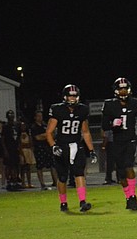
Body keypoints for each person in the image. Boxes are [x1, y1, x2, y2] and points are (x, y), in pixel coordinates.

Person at [46, 84, 97, 212]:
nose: (73, 99)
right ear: (65, 97)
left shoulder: (82, 110)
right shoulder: (57, 109)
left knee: (79, 173)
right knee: (62, 176)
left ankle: (82, 202)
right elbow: (49, 132)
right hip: (62, 146)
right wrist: (53, 146)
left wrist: (91, 150)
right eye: (70, 96)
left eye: (75, 96)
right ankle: (63, 203)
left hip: (76, 145)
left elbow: (85, 132)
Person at [101, 77, 137, 210]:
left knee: (129, 166)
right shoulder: (109, 104)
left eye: (125, 88)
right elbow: (104, 125)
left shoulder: (136, 103)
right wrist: (112, 124)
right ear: (116, 90)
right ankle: (128, 196)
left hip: (130, 139)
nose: (123, 91)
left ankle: (133, 196)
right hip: (116, 141)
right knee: (121, 173)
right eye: (120, 89)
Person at [30, 110, 57, 190]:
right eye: (38, 116)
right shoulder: (34, 127)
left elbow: (52, 134)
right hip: (39, 148)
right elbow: (37, 137)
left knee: (52, 164)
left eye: (41, 116)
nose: (40, 117)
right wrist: (46, 135)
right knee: (40, 166)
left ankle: (55, 181)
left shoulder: (45, 125)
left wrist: (45, 135)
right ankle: (42, 184)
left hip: (47, 147)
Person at [1, 109, 22, 191]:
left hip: (15, 148)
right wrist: (5, 150)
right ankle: (9, 181)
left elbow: (19, 137)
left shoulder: (17, 125)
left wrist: (19, 148)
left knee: (16, 165)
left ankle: (15, 180)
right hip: (8, 148)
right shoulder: (5, 126)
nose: (11, 117)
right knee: (9, 166)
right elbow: (2, 139)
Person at [18, 121, 36, 188]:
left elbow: (31, 143)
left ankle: (29, 182)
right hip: (22, 152)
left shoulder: (29, 134)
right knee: (23, 168)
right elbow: (19, 145)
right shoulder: (19, 135)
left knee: (28, 168)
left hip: (28, 151)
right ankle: (23, 182)